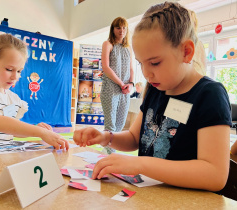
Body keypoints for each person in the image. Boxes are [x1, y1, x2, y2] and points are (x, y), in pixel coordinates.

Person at [73, 2, 232, 191]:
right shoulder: (157, 88)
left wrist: (140, 164)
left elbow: (215, 175)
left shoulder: (209, 94)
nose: (147, 73)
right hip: (149, 195)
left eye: (155, 63)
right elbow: (134, 137)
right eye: (141, 63)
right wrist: (106, 137)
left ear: (186, 52)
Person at [100, 17, 134, 154]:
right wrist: (121, 83)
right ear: (113, 29)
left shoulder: (128, 48)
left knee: (120, 125)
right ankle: (109, 155)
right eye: (118, 28)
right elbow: (106, 67)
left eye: (124, 28)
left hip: (124, 91)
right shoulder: (108, 44)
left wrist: (130, 84)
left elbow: (131, 68)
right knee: (110, 124)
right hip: (110, 89)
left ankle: (109, 151)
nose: (121, 31)